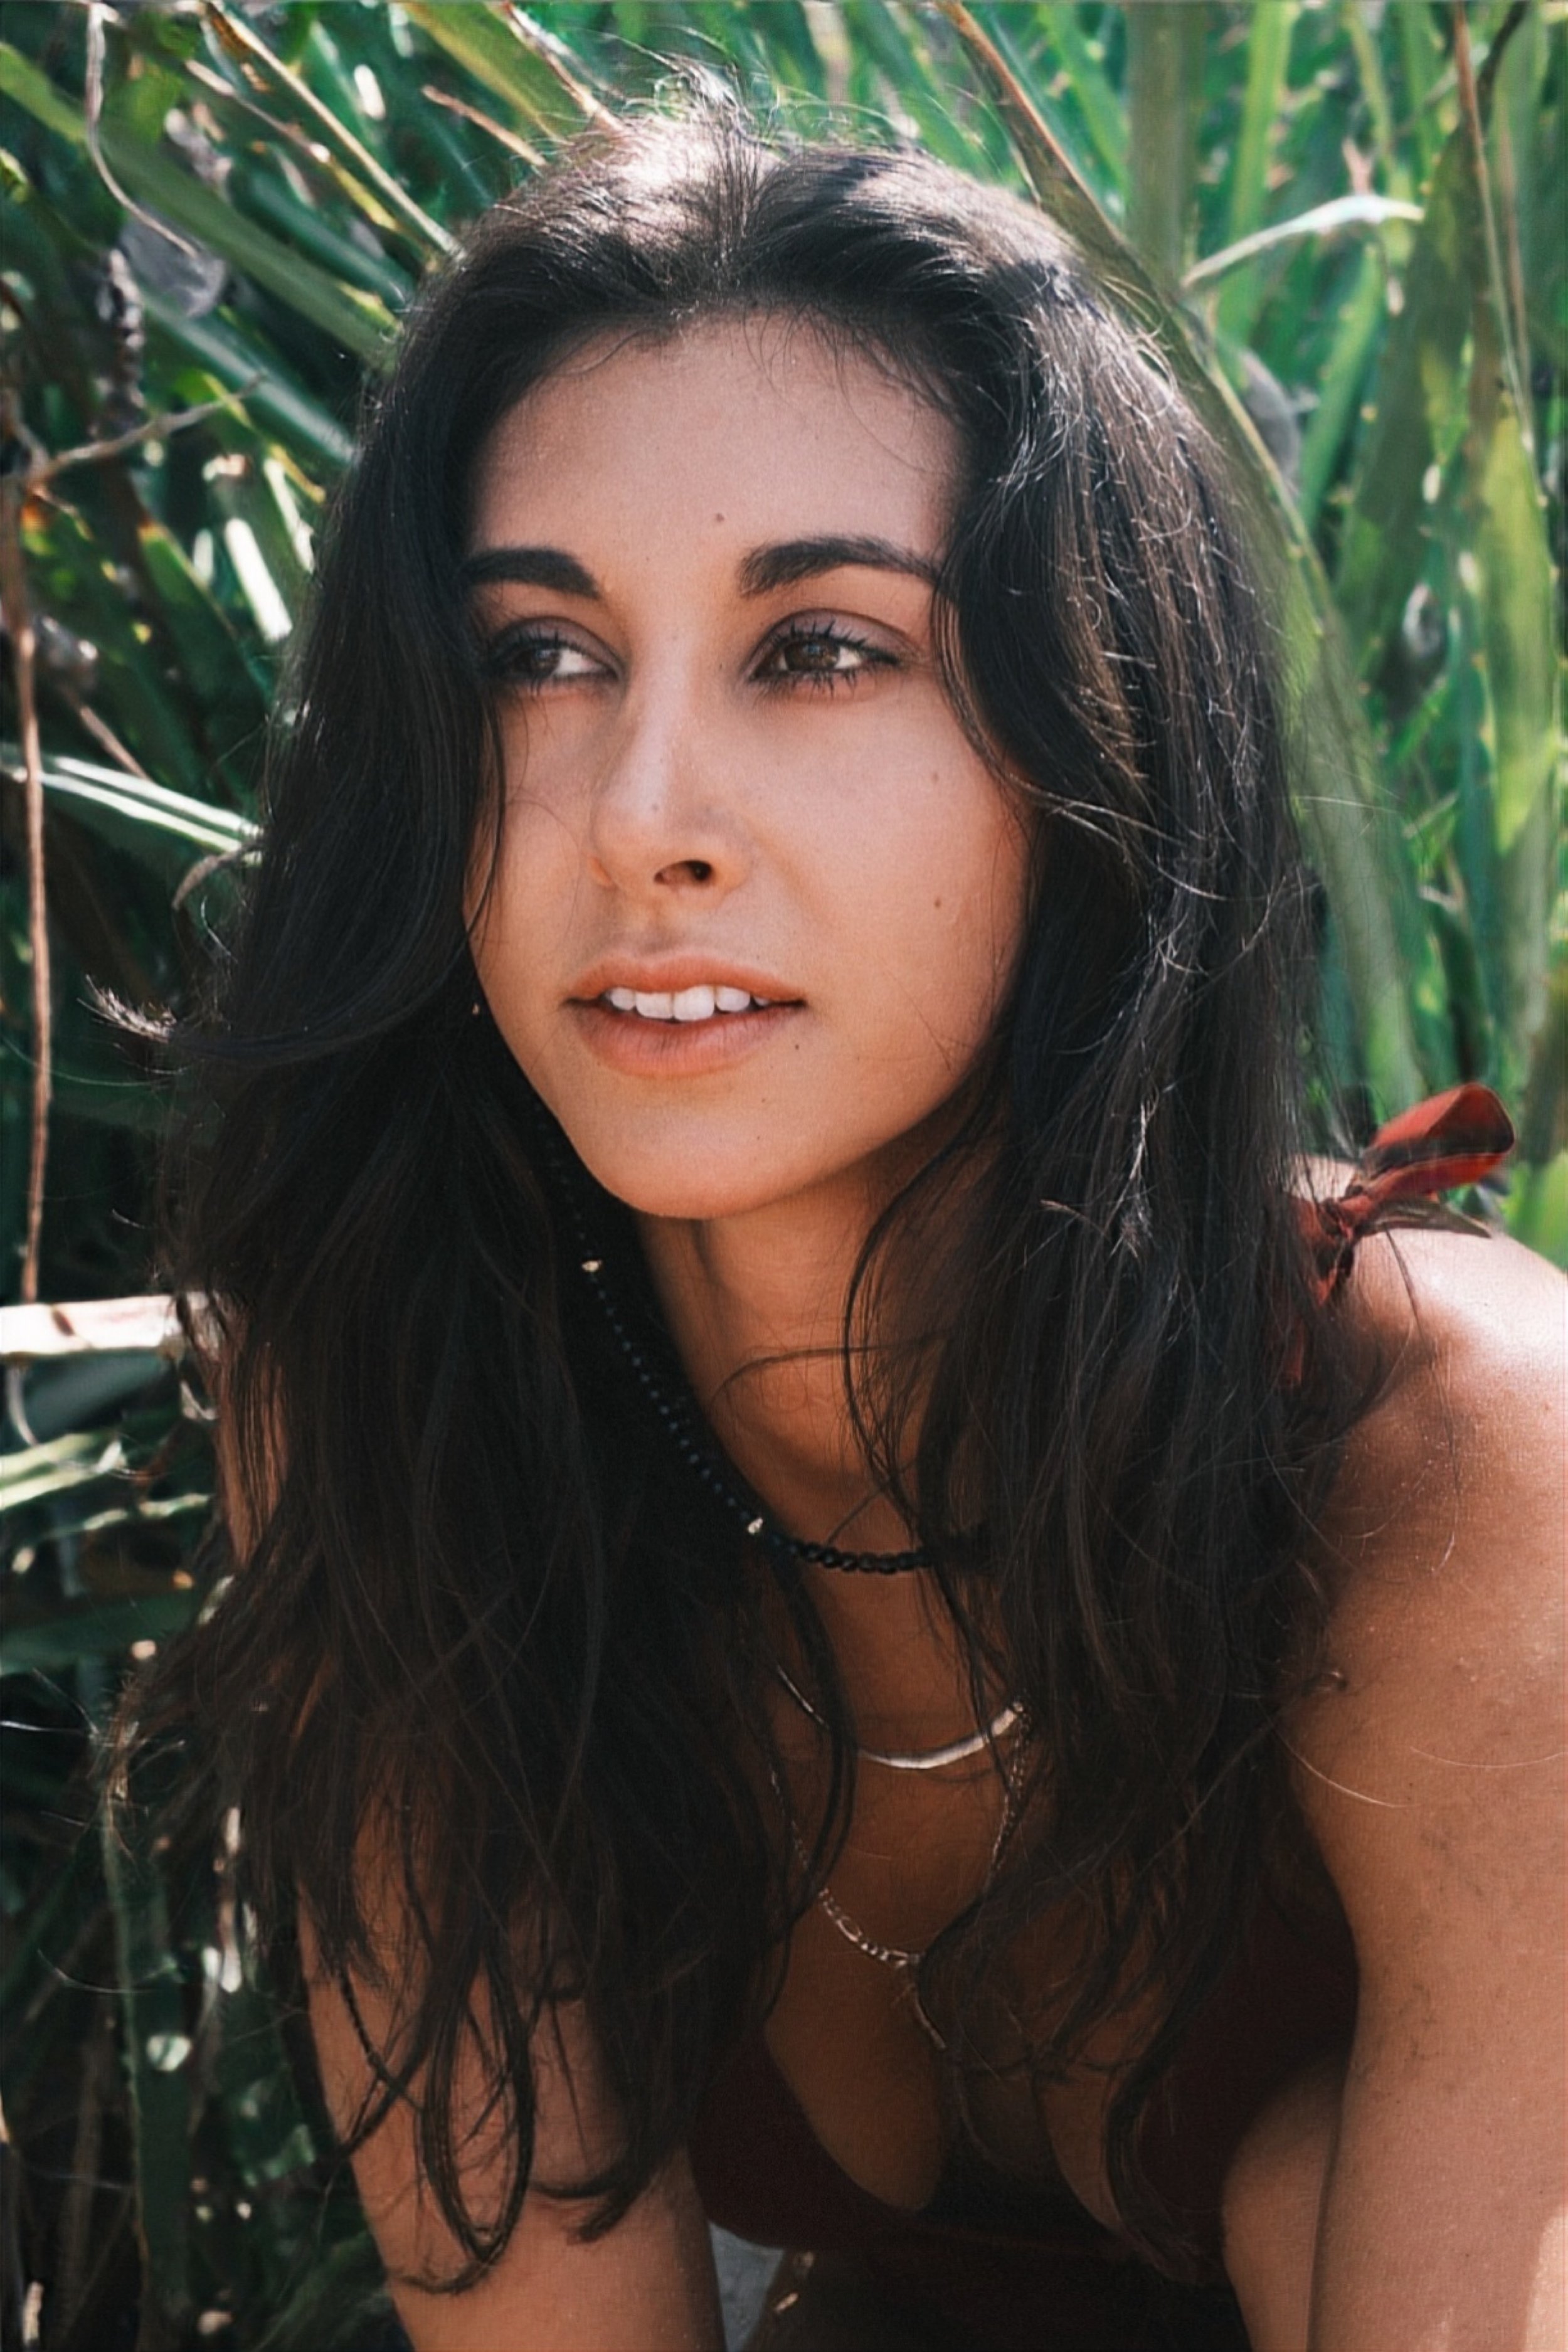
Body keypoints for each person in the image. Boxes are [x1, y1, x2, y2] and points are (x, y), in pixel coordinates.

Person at [132, 107, 1564, 2351]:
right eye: (535, 654)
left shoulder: (1451, 1459)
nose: (642, 819)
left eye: (817, 649)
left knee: (1301, 2194)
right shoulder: (403, 1399)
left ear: (1091, 745)